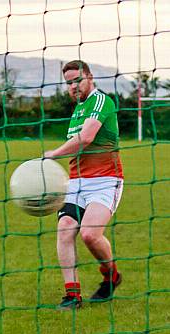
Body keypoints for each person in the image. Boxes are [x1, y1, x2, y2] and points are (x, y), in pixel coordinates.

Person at [44, 60, 124, 309]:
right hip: (76, 183)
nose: (73, 86)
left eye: (77, 80)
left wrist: (53, 154)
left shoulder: (102, 101)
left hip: (105, 181)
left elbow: (87, 137)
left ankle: (111, 274)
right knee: (65, 228)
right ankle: (72, 295)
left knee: (90, 234)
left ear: (89, 77)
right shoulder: (77, 109)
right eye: (68, 83)